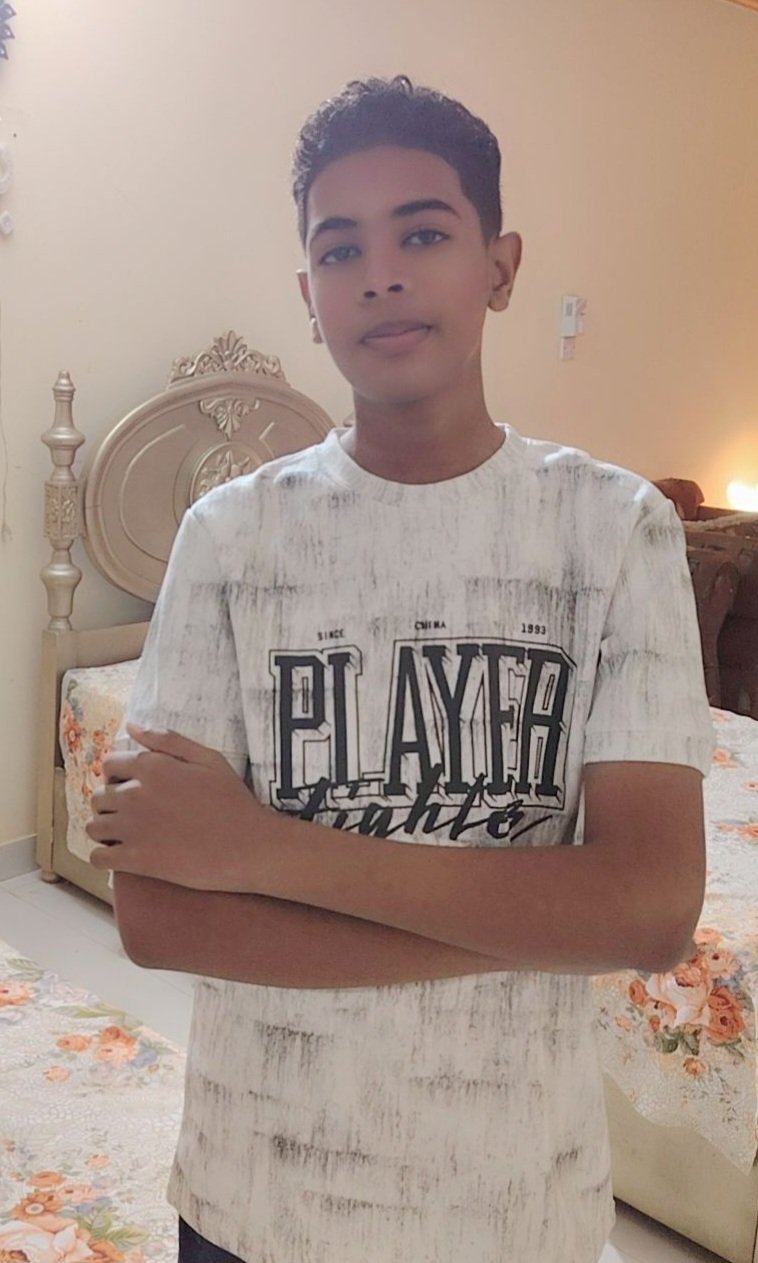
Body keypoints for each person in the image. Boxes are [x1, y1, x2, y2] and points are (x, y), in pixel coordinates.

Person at [86, 75, 715, 1263]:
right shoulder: (230, 537)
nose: (378, 273)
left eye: (421, 234)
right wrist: (542, 920)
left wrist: (256, 850)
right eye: (340, 249)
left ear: (499, 266)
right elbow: (158, 916)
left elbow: (646, 911)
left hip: (513, 1205)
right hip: (254, 1192)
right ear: (309, 298)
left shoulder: (611, 528)